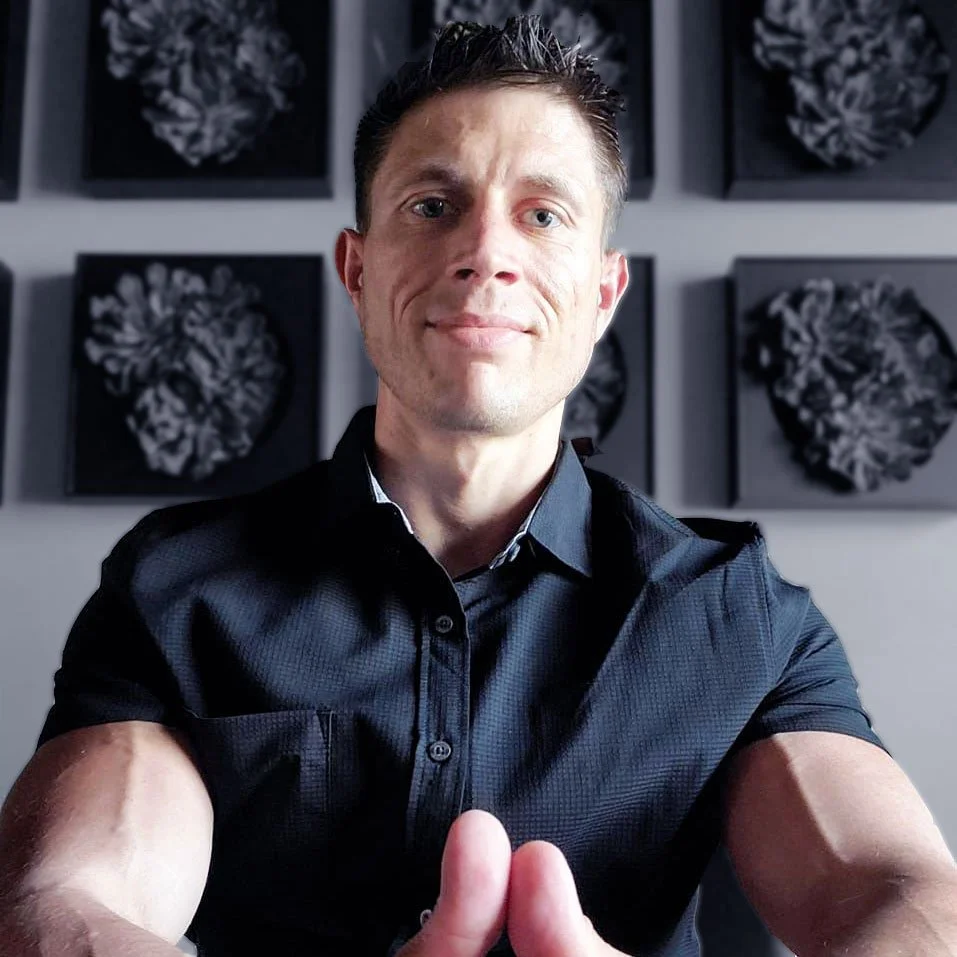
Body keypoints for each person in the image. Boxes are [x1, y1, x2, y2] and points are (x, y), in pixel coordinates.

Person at [1, 14, 956, 957]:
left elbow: (901, 891)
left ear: (602, 293)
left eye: (542, 215)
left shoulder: (732, 608)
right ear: (357, 269)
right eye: (431, 205)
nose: (485, 251)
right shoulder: (175, 588)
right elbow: (64, 896)